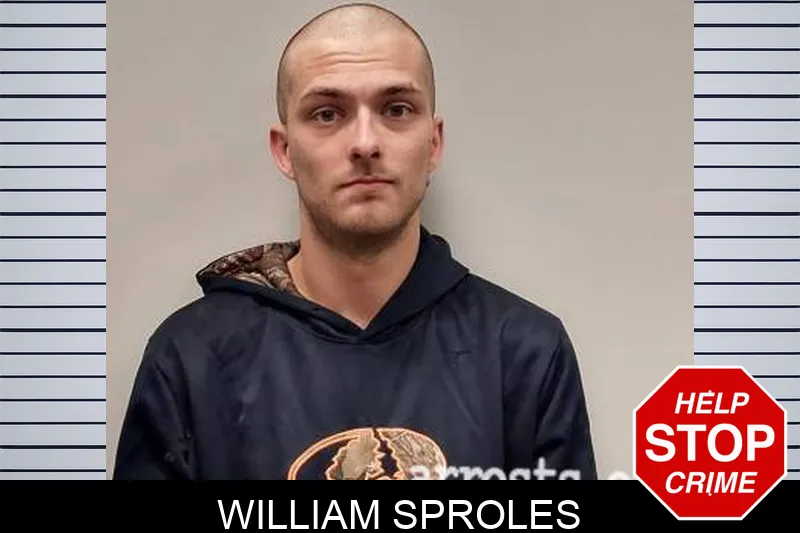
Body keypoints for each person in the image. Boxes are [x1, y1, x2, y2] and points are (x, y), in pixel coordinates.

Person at [113, 2, 597, 481]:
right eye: (327, 114)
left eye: (396, 109)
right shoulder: (192, 356)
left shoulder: (524, 352)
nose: (365, 143)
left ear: (433, 143)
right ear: (285, 150)